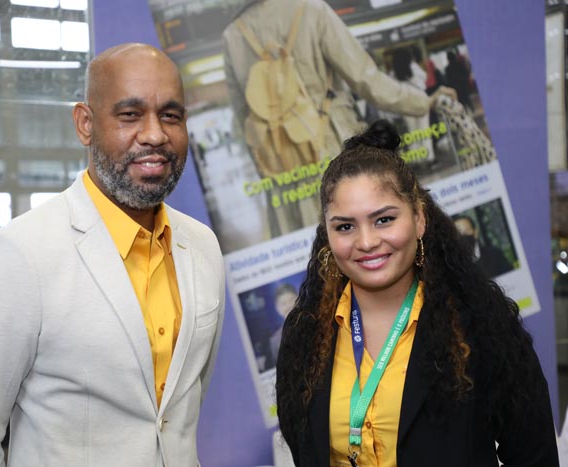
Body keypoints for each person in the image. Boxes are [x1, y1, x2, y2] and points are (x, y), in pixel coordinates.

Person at [0, 43, 226, 467]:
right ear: (85, 124)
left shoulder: (203, 247)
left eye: (171, 115)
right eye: (130, 115)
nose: (156, 134)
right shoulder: (20, 254)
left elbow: (180, 411)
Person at [276, 120, 557, 466]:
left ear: (419, 219)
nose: (366, 242)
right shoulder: (305, 334)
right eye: (345, 226)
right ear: (328, 235)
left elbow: (534, 454)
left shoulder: (480, 324)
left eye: (384, 220)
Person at [223, 0, 456, 238]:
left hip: (281, 166)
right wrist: (424, 102)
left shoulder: (232, 35)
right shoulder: (312, 10)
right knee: (359, 236)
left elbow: (244, 117)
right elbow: (366, 80)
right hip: (332, 145)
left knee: (308, 251)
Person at [453, 214, 513, 278]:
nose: (463, 236)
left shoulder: (495, 255)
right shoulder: (454, 265)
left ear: (475, 233)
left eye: (466, 231)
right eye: (459, 234)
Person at [269, 282, 298, 368]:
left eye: (291, 300)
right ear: (277, 308)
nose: (288, 306)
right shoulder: (275, 340)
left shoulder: (315, 323)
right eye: (283, 303)